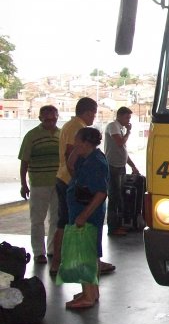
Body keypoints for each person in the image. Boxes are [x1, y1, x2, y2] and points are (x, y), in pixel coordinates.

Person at [50, 97, 115, 276]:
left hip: (67, 180)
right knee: (70, 226)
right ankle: (63, 263)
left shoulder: (70, 126)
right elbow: (70, 155)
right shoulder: (78, 129)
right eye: (93, 113)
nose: (94, 117)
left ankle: (67, 264)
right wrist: (77, 180)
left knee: (66, 224)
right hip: (71, 182)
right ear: (87, 112)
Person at [63, 127, 109, 309]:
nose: (74, 144)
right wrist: (76, 149)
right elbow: (71, 165)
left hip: (87, 213)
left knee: (85, 255)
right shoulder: (87, 157)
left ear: (86, 142)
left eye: (77, 140)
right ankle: (91, 291)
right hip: (82, 210)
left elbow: (101, 193)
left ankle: (88, 296)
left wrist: (83, 215)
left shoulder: (96, 162)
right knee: (90, 253)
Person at [18, 105, 60, 264]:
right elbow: (24, 162)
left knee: (56, 219)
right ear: (40, 118)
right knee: (37, 219)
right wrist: (24, 184)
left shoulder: (61, 134)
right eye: (47, 118)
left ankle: (52, 249)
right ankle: (38, 252)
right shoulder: (32, 136)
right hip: (38, 184)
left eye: (53, 117)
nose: (51, 120)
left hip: (58, 183)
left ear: (57, 117)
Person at [104, 106, 139, 236]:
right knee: (114, 197)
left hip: (120, 166)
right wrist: (128, 132)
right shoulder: (113, 126)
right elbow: (119, 143)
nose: (128, 120)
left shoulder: (120, 128)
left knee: (119, 197)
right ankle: (113, 228)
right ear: (119, 116)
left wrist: (133, 166)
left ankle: (118, 224)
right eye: (127, 117)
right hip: (113, 166)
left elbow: (123, 150)